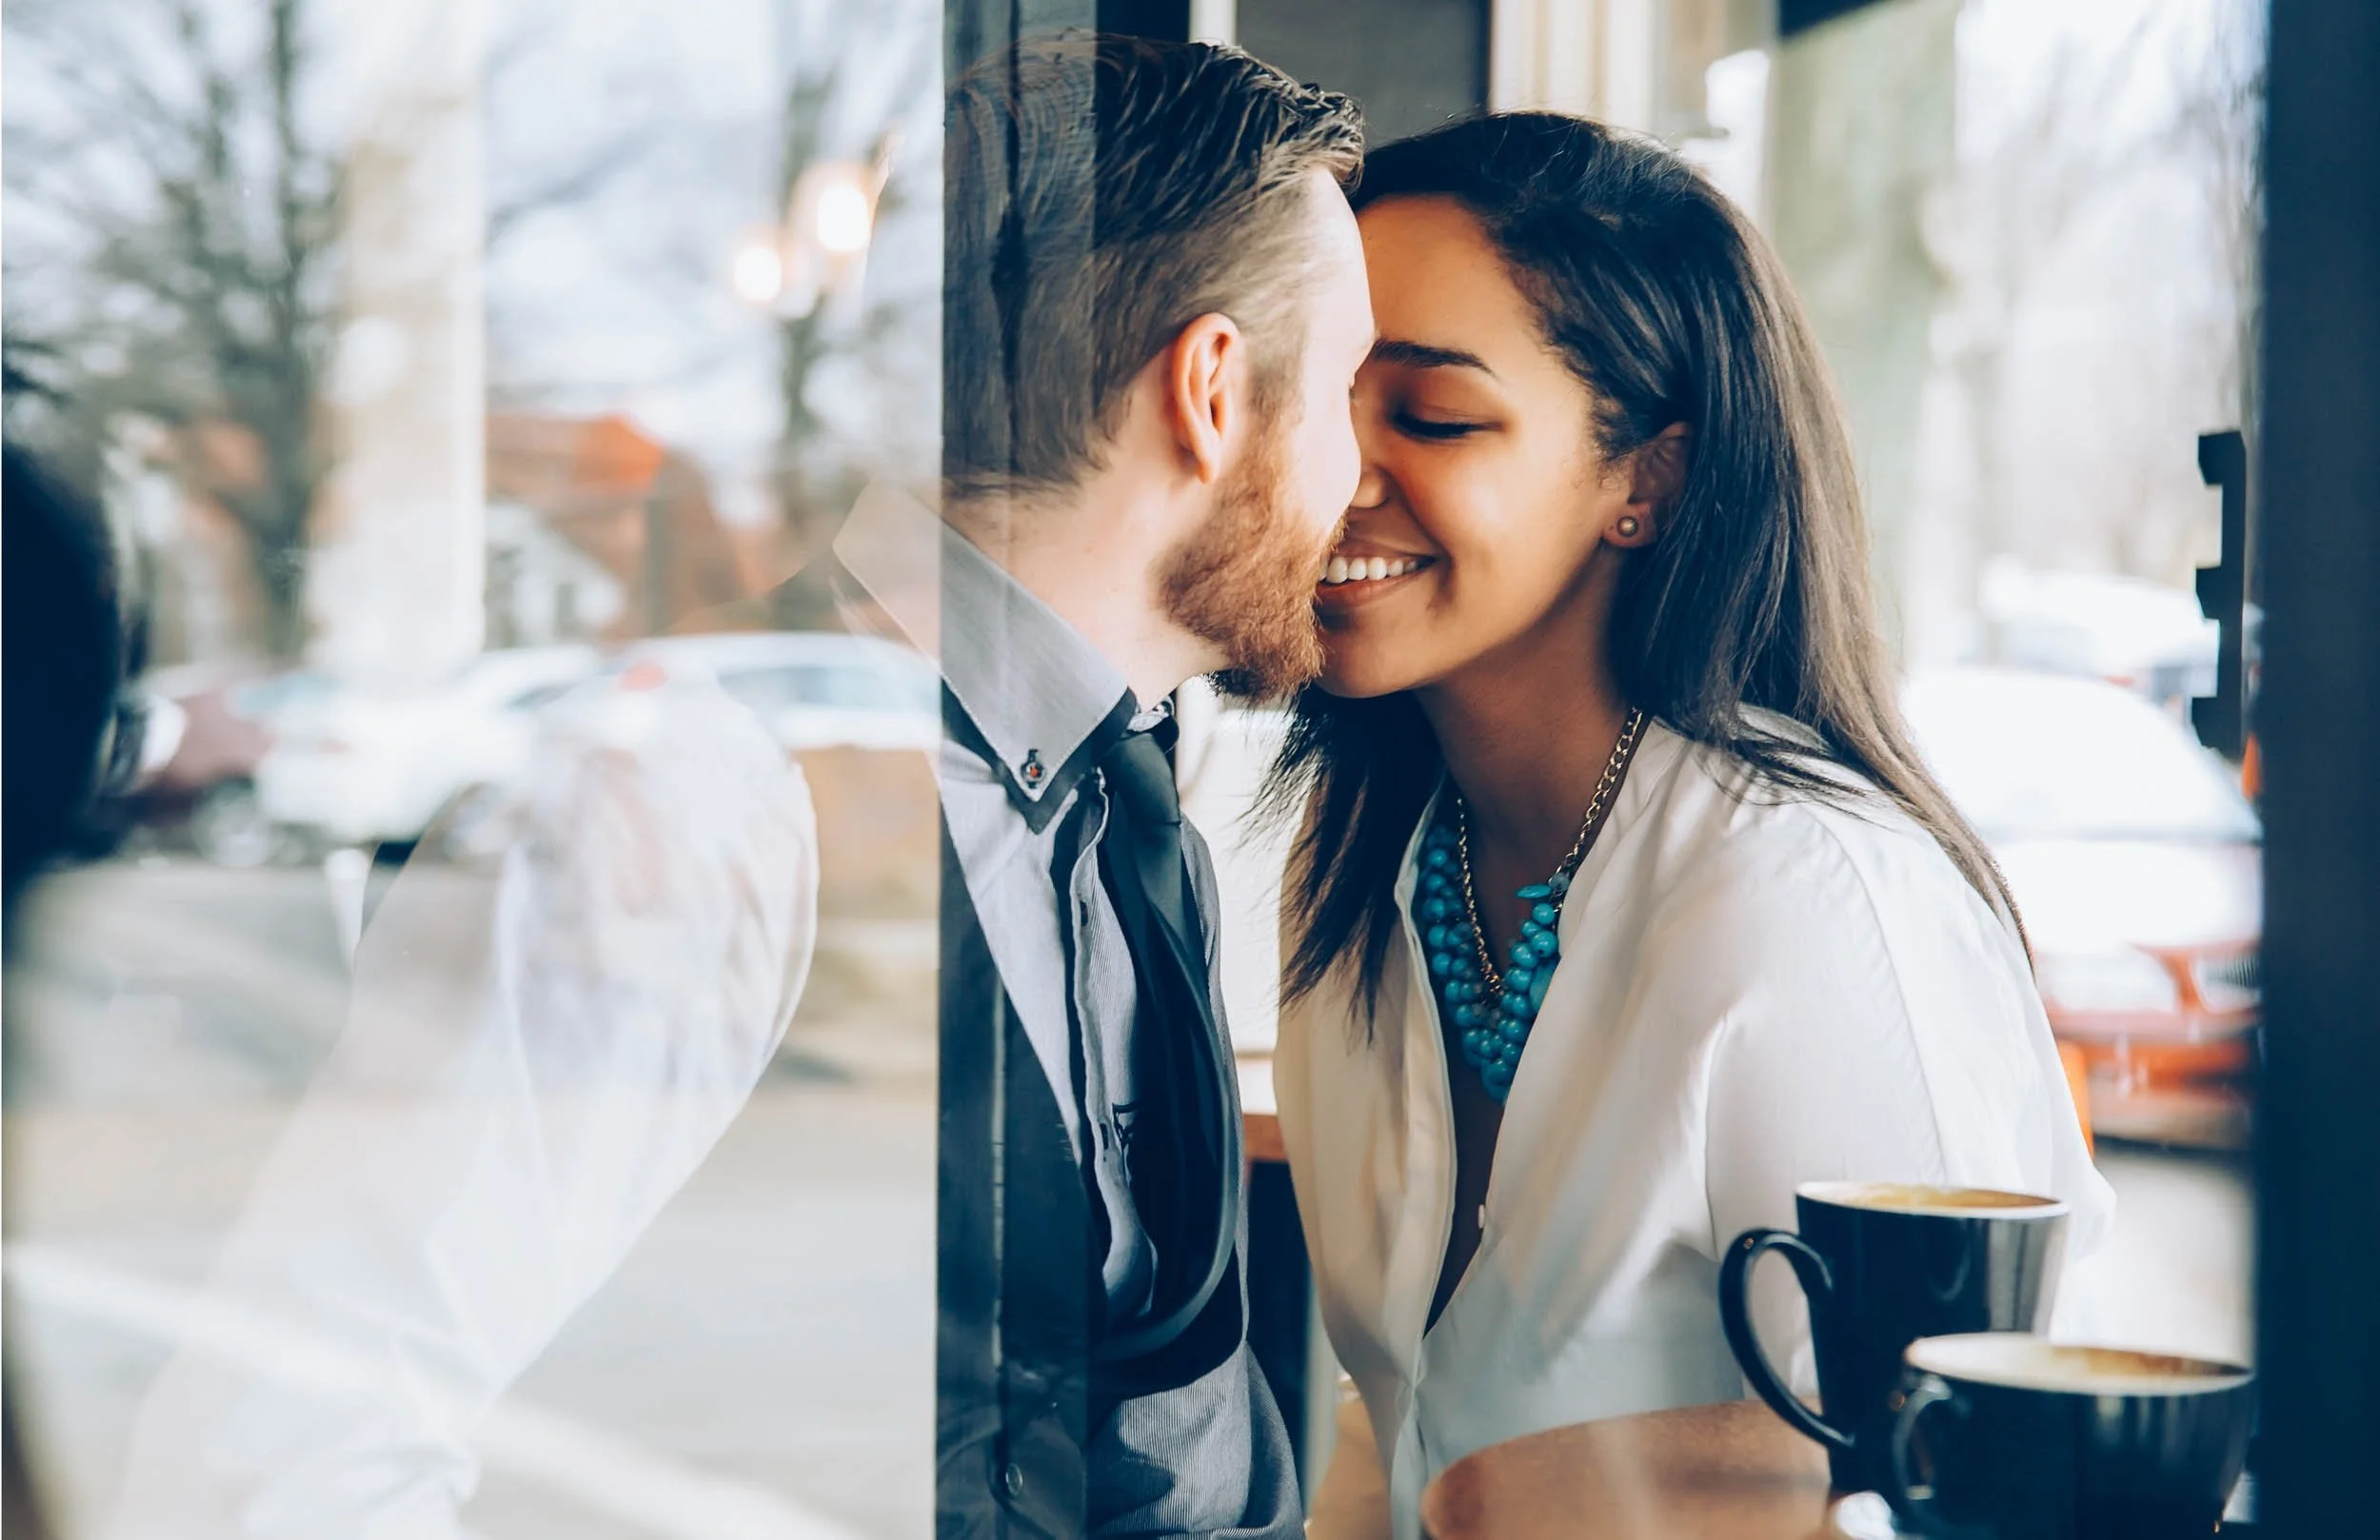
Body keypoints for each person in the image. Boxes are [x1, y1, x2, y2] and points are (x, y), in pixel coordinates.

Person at [1264, 114, 2114, 1539]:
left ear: (1644, 482)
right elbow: (1414, 1431)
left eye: (1430, 414)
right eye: (1318, 398)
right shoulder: (1361, 866)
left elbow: (1965, 1483)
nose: (1335, 474)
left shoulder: (1805, 903)